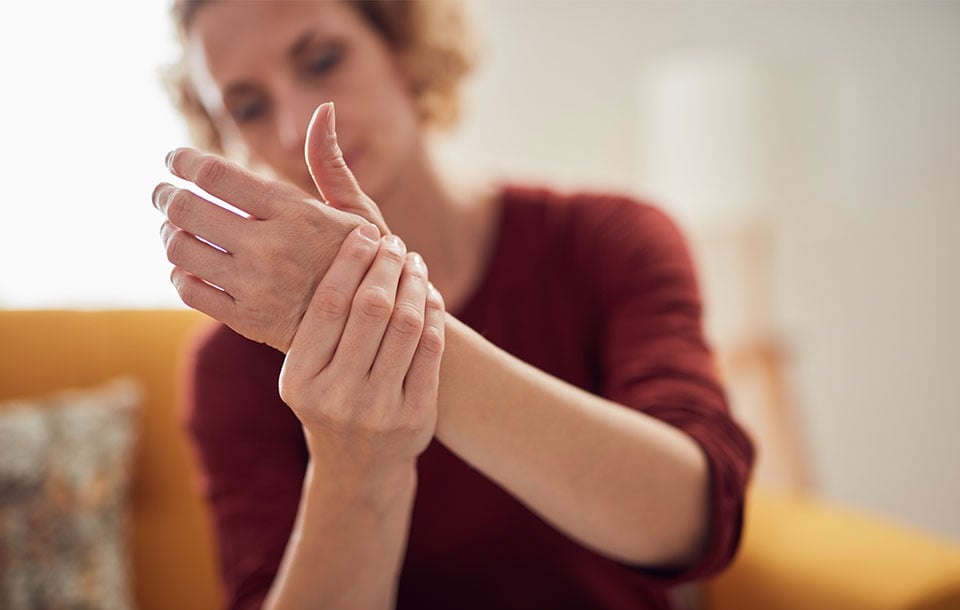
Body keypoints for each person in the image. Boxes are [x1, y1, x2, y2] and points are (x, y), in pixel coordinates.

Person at [153, 1, 755, 609]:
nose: (293, 127)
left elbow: (695, 518)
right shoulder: (229, 368)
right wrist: (356, 462)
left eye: (323, 60)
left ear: (404, 50)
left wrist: (382, 318)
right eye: (249, 106)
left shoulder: (608, 241)